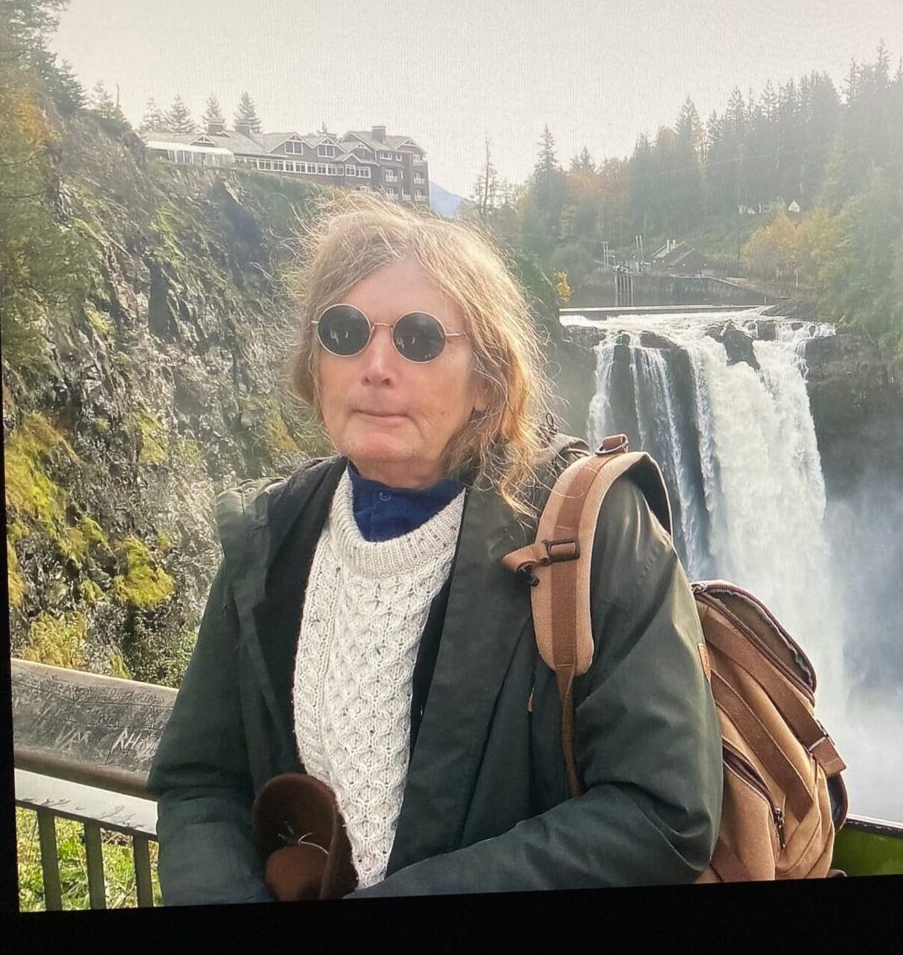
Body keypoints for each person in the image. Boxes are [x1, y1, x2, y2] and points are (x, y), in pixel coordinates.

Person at [146, 193, 723, 902]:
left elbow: (664, 813)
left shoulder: (593, 531)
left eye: (418, 338)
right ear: (316, 362)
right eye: (345, 331)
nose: (376, 364)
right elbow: (201, 780)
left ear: (488, 380)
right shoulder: (272, 537)